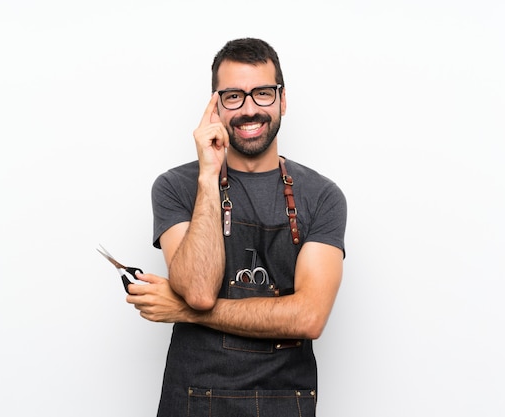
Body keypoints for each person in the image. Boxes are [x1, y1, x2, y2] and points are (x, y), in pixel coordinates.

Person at [125, 37, 347, 417]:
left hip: (285, 403)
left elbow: (309, 317)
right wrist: (209, 173)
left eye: (262, 93)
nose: (249, 109)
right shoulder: (176, 187)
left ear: (282, 100)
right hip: (194, 402)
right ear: (215, 105)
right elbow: (197, 290)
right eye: (233, 96)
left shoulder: (321, 196)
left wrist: (185, 312)